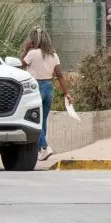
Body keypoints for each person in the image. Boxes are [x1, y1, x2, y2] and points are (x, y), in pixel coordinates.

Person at [21, 27, 70, 161]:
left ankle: (44, 147)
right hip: (49, 88)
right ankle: (40, 150)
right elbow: (59, 75)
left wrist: (26, 49)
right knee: (42, 120)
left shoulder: (32, 54)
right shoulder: (53, 55)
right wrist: (67, 93)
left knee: (34, 120)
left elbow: (20, 64)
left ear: (33, 40)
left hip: (35, 88)